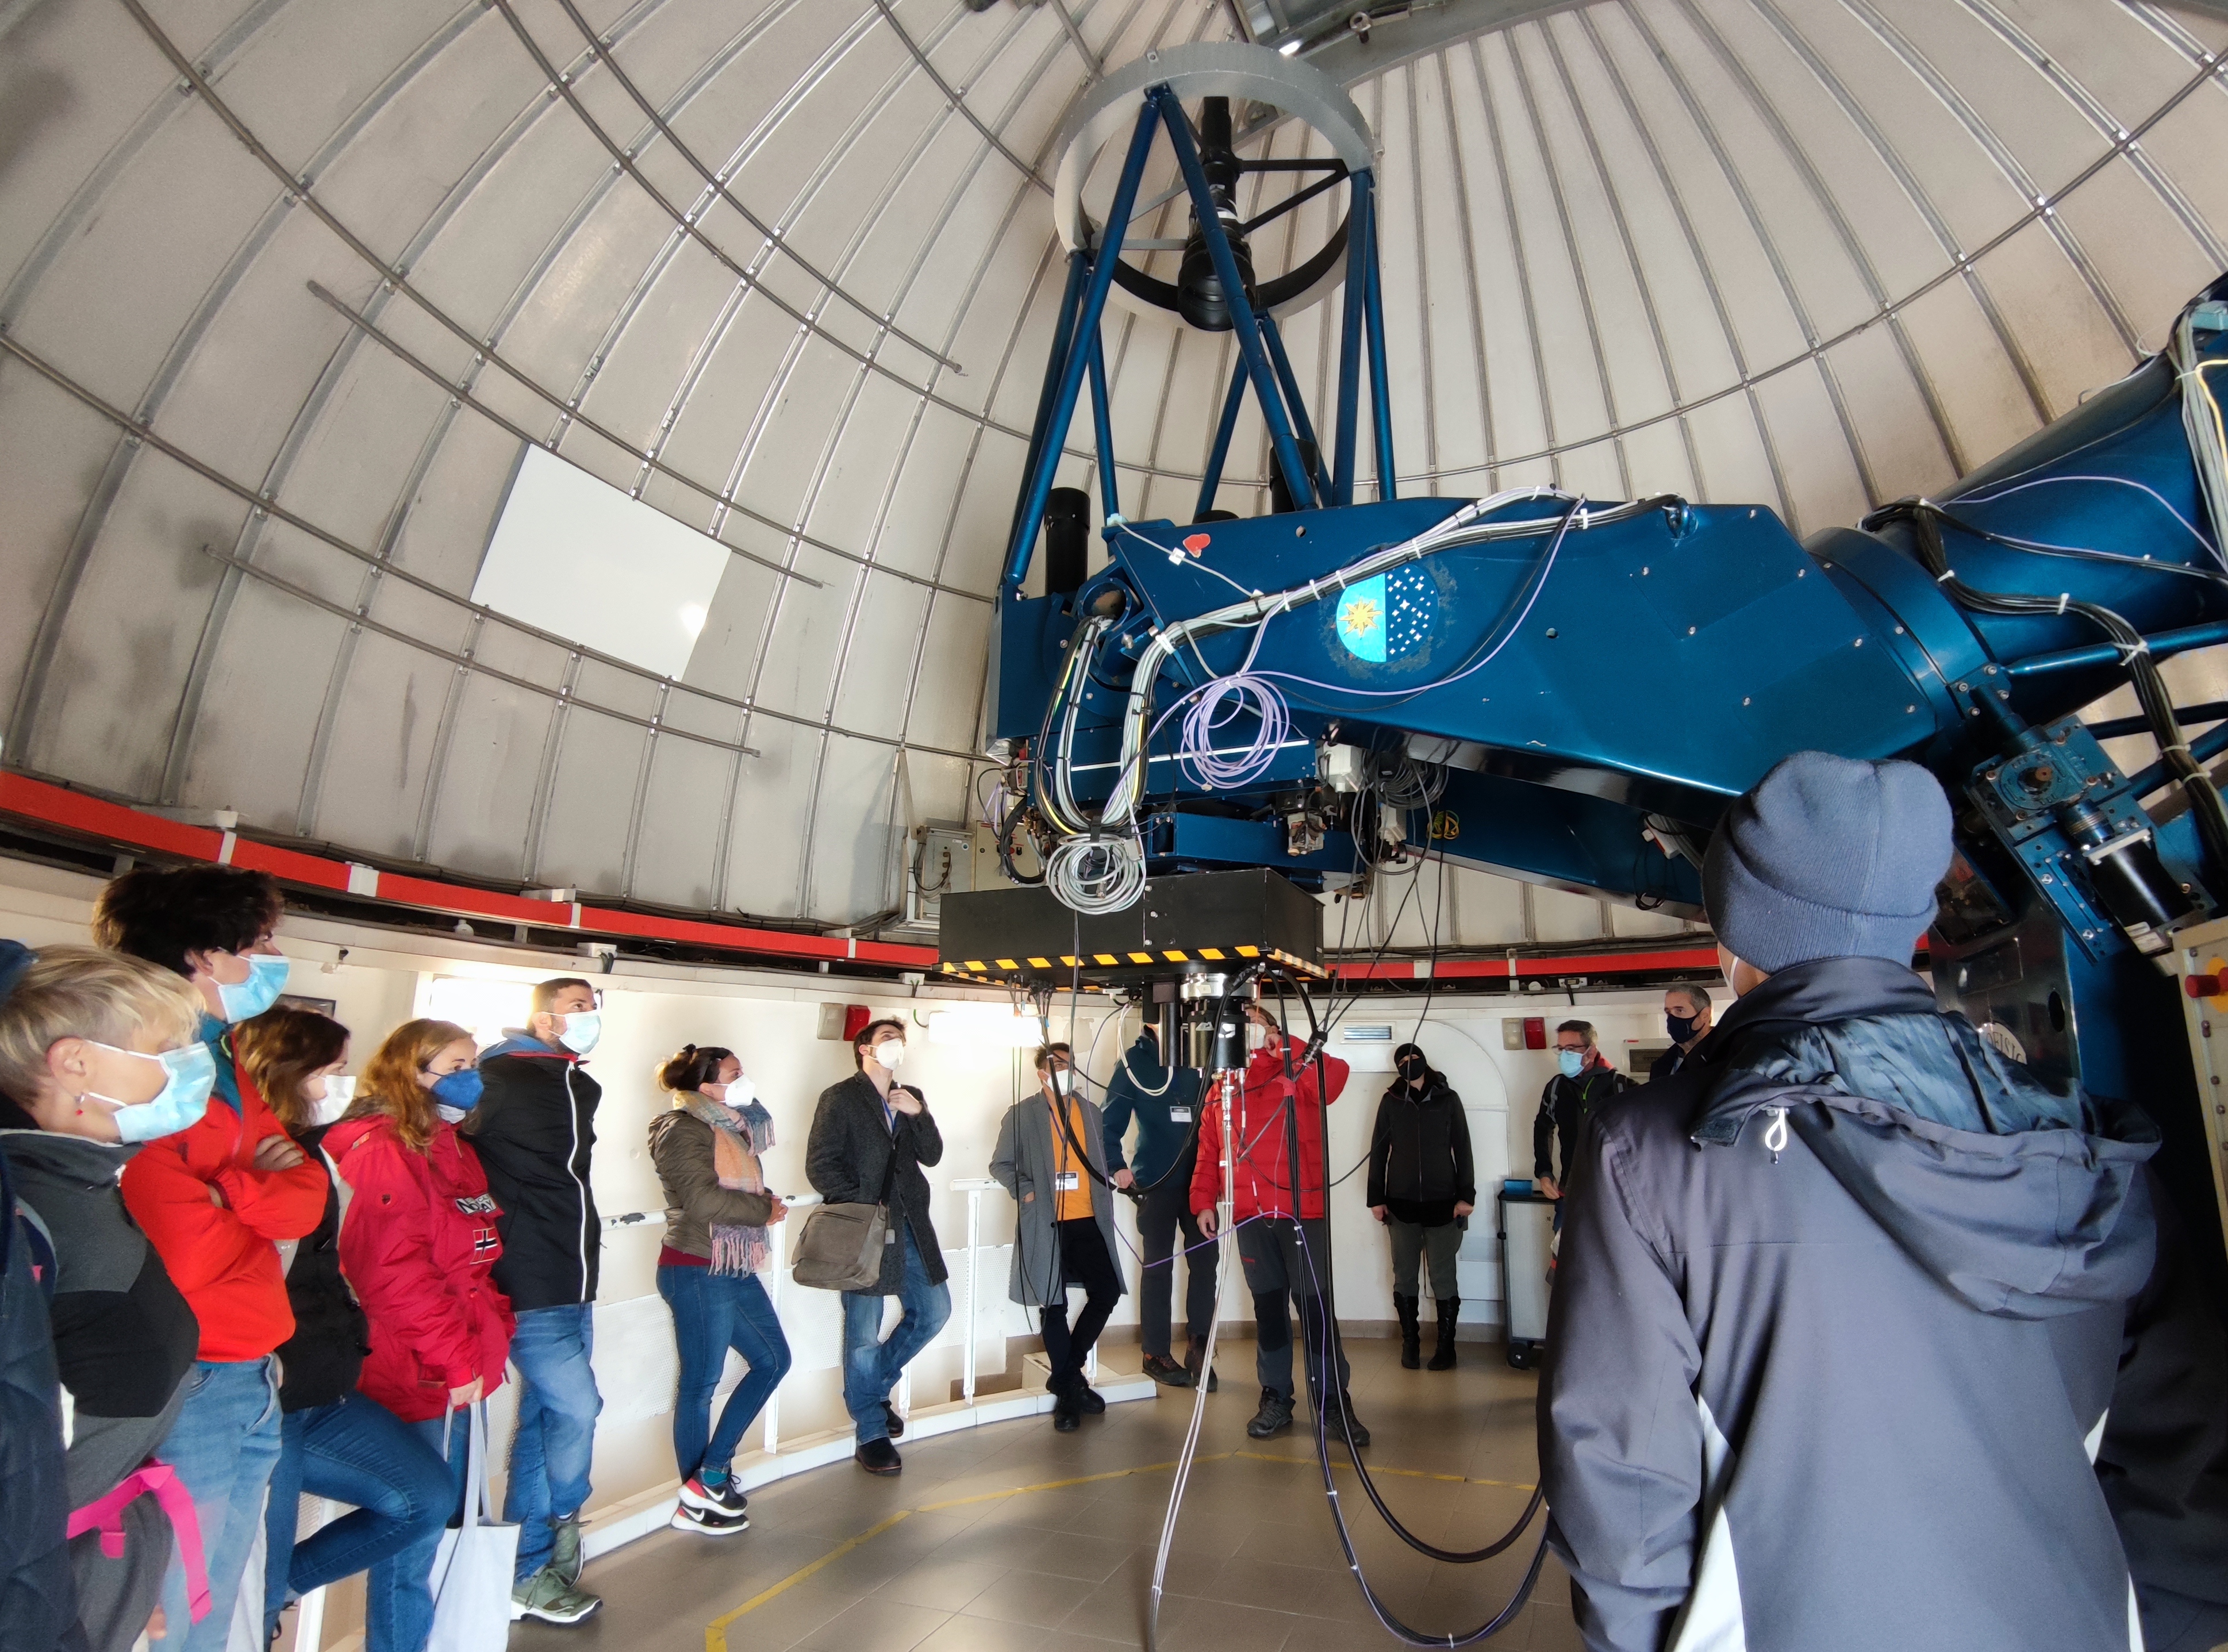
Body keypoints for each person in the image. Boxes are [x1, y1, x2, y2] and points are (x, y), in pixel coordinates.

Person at [1540, 751, 2166, 1651]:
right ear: (1912, 922)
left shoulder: (1649, 1145)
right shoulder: (2089, 1140)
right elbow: (2183, 1444)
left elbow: (1619, 1470)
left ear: (1735, 937)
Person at [92, 866, 328, 1651]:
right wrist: (254, 1193)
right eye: (258, 943)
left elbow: (307, 1195)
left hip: (248, 1364)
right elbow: (182, 1254)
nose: (273, 958)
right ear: (201, 954)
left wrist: (231, 1193)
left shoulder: (220, 1059)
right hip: (191, 1370)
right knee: (175, 1616)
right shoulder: (144, 1067)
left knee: (214, 1609)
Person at [0, 946, 206, 1652]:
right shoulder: (27, 1212)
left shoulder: (80, 1181)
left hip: (94, 1563)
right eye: (166, 1049)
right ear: (76, 1064)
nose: (186, 1067)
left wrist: (132, 1570)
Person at [237, 1009, 451, 1651]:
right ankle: (265, 1604)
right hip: (268, 1393)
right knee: (251, 1582)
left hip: (323, 1386)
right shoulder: (252, 1152)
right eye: (328, 1071)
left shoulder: (310, 1151)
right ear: (288, 1072)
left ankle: (281, 1589)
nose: (337, 1084)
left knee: (425, 1498)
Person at [327, 1020, 522, 1640]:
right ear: (409, 1072)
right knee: (412, 1540)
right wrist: (458, 1359)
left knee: (437, 1526)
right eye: (455, 1066)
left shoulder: (450, 1145)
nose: (472, 1078)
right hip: (416, 1368)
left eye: (474, 1064)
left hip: (456, 1365)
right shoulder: (385, 1149)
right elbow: (392, 1274)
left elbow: (473, 1259)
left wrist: (490, 1334)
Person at [459, 978, 605, 1622]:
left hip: (576, 1276)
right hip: (527, 1277)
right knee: (579, 1406)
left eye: (594, 1006)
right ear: (544, 1020)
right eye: (578, 1007)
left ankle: (524, 1571)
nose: (591, 1016)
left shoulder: (580, 1086)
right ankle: (565, 1517)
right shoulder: (498, 1077)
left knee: (547, 1420)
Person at [1190, 1004, 1366, 1446]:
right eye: (1240, 1027)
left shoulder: (1297, 1068)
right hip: (1250, 1217)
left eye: (1256, 1024)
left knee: (1315, 1310)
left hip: (1302, 1213)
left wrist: (1289, 1046)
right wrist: (1203, 1202)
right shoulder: (1222, 1088)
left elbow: (1336, 1080)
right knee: (1269, 1311)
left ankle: (1333, 1402)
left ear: (1271, 1028)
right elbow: (1208, 1151)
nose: (1248, 1033)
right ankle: (1276, 1398)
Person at [647, 1044, 792, 1535]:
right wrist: (764, 1211)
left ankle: (709, 1475)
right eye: (735, 1074)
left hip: (730, 1263)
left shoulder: (731, 1126)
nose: (744, 1080)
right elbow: (703, 1200)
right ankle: (698, 1499)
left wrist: (763, 1202)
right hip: (696, 1267)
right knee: (701, 1384)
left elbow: (727, 1192)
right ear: (707, 1086)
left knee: (773, 1360)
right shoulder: (681, 1128)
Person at [805, 1017, 949, 1476]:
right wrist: (863, 1204)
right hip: (865, 1230)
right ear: (864, 1048)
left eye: (900, 1039)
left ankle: (871, 1388)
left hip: (911, 1226)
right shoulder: (840, 1098)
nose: (897, 1045)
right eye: (888, 1038)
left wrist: (917, 1114)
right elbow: (820, 1165)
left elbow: (932, 1155)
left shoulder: (910, 1095)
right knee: (863, 1332)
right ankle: (870, 1431)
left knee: (935, 1311)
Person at [991, 1044, 1125, 1431]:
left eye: (1070, 1064)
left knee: (1107, 1292)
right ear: (1041, 1073)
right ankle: (1071, 1391)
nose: (1067, 1071)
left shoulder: (1091, 1111)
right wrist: (1027, 1190)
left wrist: (1117, 1172)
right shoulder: (1022, 1115)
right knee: (1053, 1303)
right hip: (1048, 1223)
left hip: (1090, 1218)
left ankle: (1066, 1377)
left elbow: (1103, 1155)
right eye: (1058, 1065)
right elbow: (1001, 1164)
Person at [1101, 1016, 1215, 1389]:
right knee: (1158, 1268)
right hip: (1156, 1182)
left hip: (1200, 1184)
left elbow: (1219, 1116)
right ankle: (1155, 1354)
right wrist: (1117, 1166)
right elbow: (1109, 1123)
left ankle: (1200, 1348)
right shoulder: (1134, 1064)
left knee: (1205, 1266)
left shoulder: (1200, 1055)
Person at [1367, 1042, 1474, 1371]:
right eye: (1402, 1060)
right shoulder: (1391, 1101)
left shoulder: (1448, 1099)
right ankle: (1410, 1343)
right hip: (1401, 1205)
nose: (1408, 1064)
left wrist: (1466, 1196)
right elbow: (1378, 1149)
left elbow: (1463, 1147)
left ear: (1424, 1061)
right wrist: (1376, 1198)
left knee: (1443, 1277)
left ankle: (1446, 1348)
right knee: (1404, 1277)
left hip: (1444, 1203)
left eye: (1413, 1058)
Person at [1532, 1019, 1626, 1202]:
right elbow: (1543, 1129)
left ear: (1591, 1051)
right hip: (1570, 1191)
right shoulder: (1557, 1087)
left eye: (1571, 1049)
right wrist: (1544, 1172)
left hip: (1613, 1194)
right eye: (1560, 1049)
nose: (1564, 1055)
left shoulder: (1620, 1086)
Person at [1649, 985, 1712, 1081]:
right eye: (1668, 1012)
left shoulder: (1729, 1057)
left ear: (1705, 1015)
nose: (1672, 1019)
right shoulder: (1660, 1066)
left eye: (1679, 1011)